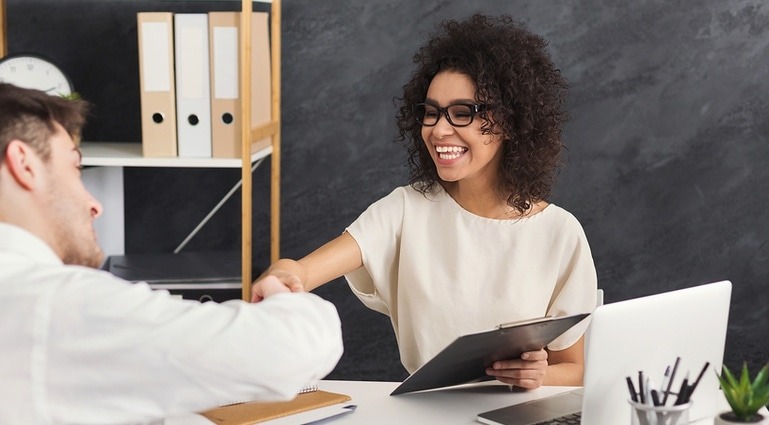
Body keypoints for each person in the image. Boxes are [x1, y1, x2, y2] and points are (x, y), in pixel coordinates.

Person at [264, 13, 597, 390]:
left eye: (461, 113)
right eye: (431, 112)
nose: (438, 130)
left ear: (508, 122)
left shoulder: (560, 233)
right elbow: (305, 272)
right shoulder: (405, 210)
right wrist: (286, 275)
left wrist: (538, 376)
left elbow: (574, 369)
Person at [0, 82, 343, 424]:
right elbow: (296, 346)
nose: (94, 204)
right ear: (24, 163)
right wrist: (282, 297)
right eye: (75, 168)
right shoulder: (60, 307)